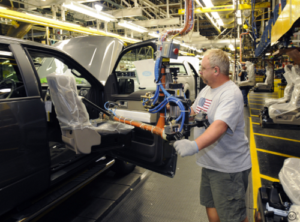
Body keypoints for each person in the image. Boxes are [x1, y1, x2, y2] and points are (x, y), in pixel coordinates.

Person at [173, 49, 251, 222]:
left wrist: (194, 145)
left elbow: (220, 126)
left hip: (228, 169)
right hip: (211, 164)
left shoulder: (230, 93)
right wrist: (178, 112)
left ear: (216, 70)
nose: (200, 72)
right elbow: (194, 111)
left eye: (203, 68)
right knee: (211, 206)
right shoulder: (207, 89)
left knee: (232, 217)